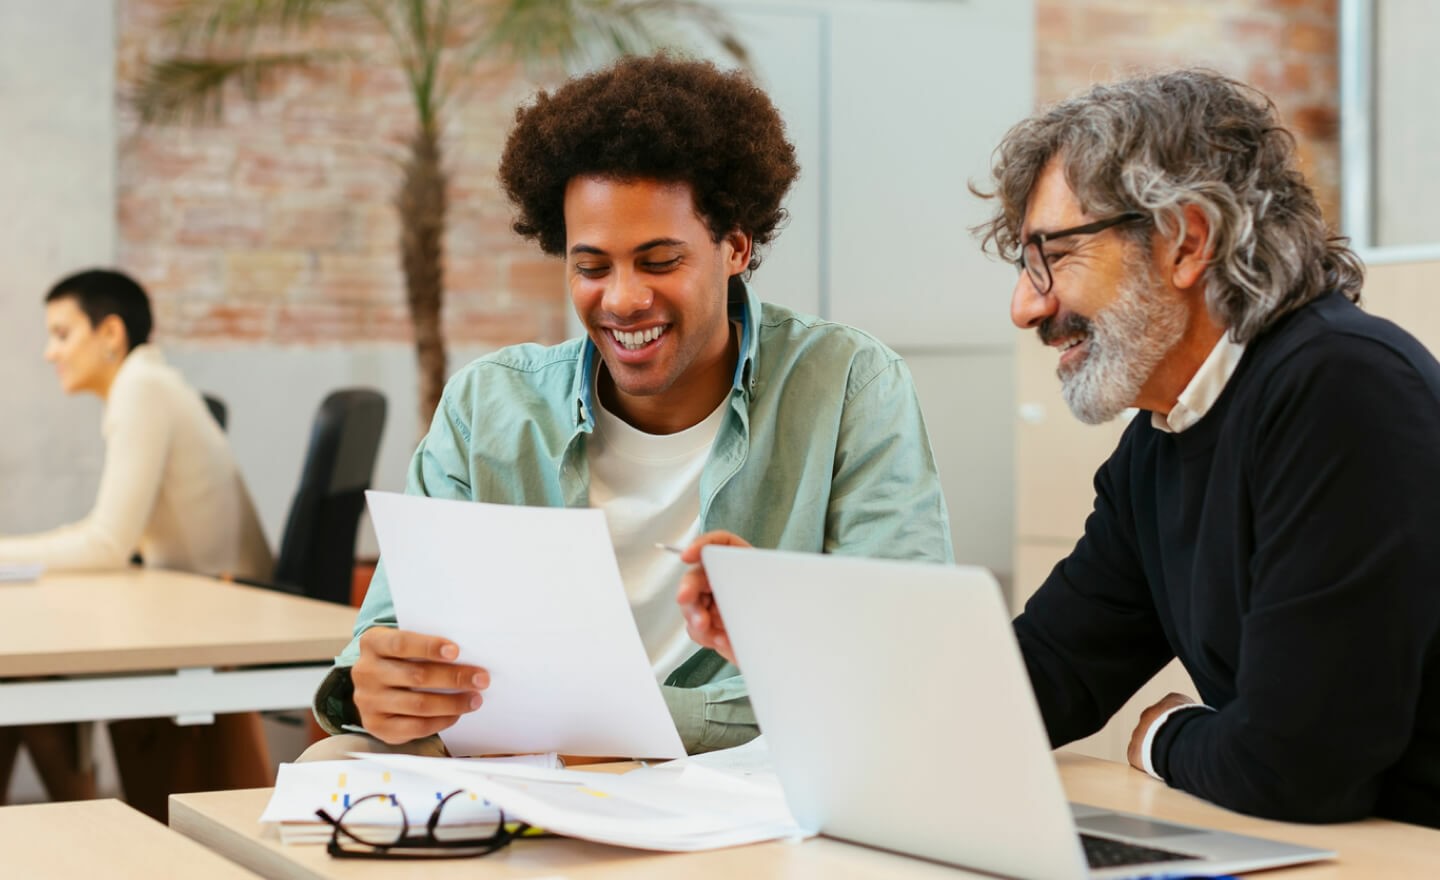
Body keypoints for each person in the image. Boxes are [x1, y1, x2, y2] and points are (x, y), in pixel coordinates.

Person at [682, 69, 1440, 827]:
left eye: (1051, 255)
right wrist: (792, 639)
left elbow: (1293, 769)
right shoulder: (1161, 441)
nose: (1025, 306)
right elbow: (1028, 685)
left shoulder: (1344, 389)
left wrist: (1163, 736)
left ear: (1186, 240)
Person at [305, 54, 952, 759]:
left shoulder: (849, 386)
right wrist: (383, 687)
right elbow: (388, 635)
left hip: (747, 769)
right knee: (331, 761)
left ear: (735, 246)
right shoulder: (488, 405)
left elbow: (901, 656)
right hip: (527, 762)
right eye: (590, 267)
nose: (619, 300)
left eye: (659, 261)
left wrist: (621, 724)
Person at [0, 268, 273, 817]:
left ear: (110, 334)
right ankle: (85, 828)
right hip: (193, 597)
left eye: (62, 333)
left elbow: (106, 543)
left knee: (22, 667)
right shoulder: (144, 386)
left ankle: (85, 828)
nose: (50, 352)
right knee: (20, 669)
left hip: (220, 606)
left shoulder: (141, 389)